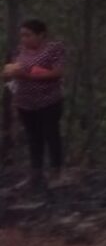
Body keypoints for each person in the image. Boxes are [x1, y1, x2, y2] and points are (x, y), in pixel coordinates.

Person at [3, 19, 66, 193]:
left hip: (49, 101)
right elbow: (11, 73)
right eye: (22, 35)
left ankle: (56, 172)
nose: (24, 39)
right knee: (33, 138)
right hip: (25, 102)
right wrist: (9, 74)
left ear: (41, 35)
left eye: (28, 35)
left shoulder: (53, 49)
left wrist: (28, 76)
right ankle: (35, 173)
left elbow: (57, 72)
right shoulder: (19, 51)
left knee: (51, 135)